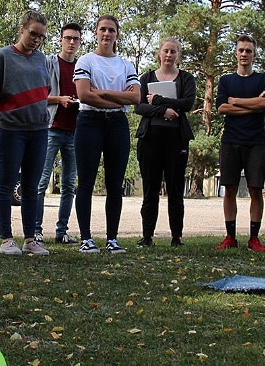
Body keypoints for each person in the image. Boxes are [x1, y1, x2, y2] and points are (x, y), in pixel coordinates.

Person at [0, 11, 51, 256]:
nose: (36, 40)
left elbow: (45, 90)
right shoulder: (3, 56)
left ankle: (30, 238)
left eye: (41, 36)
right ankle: (6, 239)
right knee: (7, 184)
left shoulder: (43, 59)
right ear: (22, 29)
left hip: (39, 131)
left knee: (31, 187)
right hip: (11, 131)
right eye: (33, 33)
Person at [73, 15, 139, 254]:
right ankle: (86, 239)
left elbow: (135, 97)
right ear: (96, 33)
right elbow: (84, 95)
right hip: (89, 122)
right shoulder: (86, 60)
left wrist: (102, 93)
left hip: (117, 126)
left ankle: (112, 239)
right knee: (86, 183)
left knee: (115, 184)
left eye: (111, 30)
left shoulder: (126, 65)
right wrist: (117, 99)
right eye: (103, 29)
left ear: (117, 35)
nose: (107, 34)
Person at [134, 37, 196, 248]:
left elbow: (187, 103)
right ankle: (147, 236)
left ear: (178, 55)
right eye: (166, 51)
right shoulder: (147, 78)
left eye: (173, 52)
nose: (169, 55)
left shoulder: (186, 79)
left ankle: (176, 236)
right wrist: (164, 111)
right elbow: (139, 106)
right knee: (150, 189)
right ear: (159, 53)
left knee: (176, 189)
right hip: (150, 139)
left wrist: (158, 100)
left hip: (176, 139)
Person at [214, 35, 265, 252]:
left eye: (249, 50)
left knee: (256, 190)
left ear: (254, 54)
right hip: (231, 141)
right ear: (236, 53)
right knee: (229, 189)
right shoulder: (226, 81)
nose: (245, 54)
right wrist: (253, 105)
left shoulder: (263, 79)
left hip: (255, 142)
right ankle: (230, 237)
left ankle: (254, 239)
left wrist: (236, 101)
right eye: (241, 50)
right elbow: (221, 108)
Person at [33, 23, 82, 245]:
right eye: (68, 38)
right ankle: (35, 230)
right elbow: (37, 95)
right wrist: (59, 99)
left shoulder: (83, 67)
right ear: (61, 40)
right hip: (51, 129)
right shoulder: (48, 63)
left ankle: (62, 232)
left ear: (80, 43)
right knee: (41, 182)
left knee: (69, 185)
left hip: (75, 132)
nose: (71, 42)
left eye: (76, 39)